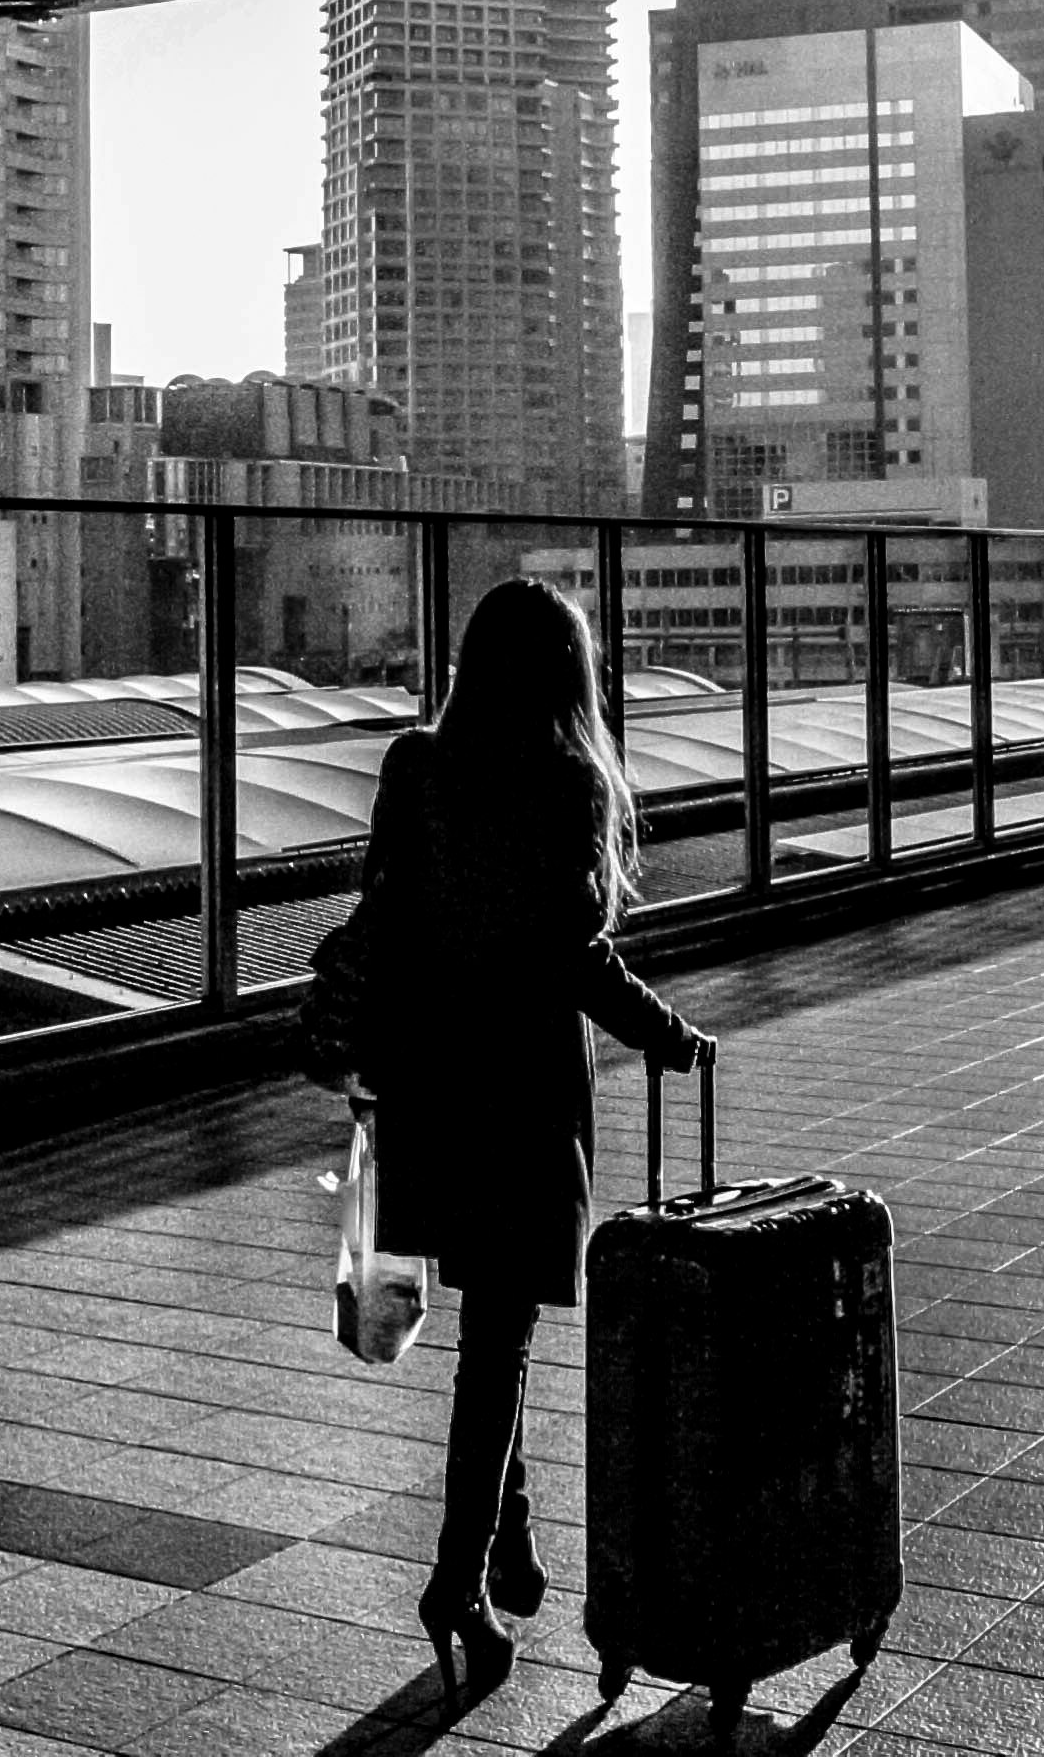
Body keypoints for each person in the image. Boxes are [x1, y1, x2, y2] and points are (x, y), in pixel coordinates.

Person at [353, 578, 710, 1706]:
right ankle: (457, 1582)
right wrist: (668, 1037)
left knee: (487, 1334)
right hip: (515, 1098)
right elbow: (575, 957)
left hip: (424, 1087)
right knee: (496, 1347)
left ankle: (510, 1543)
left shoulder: (414, 767)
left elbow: (383, 914)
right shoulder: (565, 782)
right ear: (573, 677)